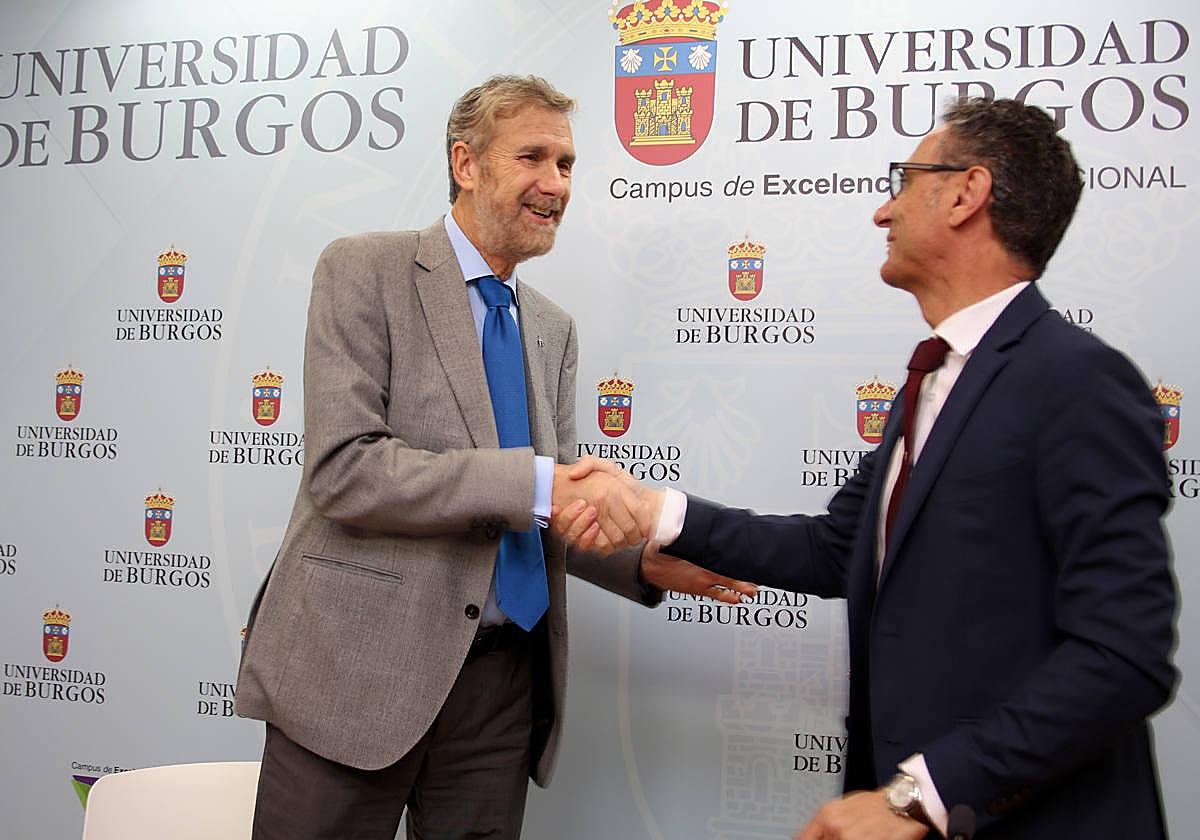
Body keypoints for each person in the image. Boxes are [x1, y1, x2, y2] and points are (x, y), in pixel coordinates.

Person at [572, 98, 1178, 839]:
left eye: (905, 180)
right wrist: (656, 511)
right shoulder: (933, 380)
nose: (882, 210)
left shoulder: (1077, 381)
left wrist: (920, 795)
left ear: (966, 193)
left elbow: (1125, 655)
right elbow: (835, 548)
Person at [235, 75, 752, 840]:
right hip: (355, 673)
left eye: (566, 164)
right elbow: (347, 471)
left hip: (501, 686)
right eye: (532, 158)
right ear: (466, 164)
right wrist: (543, 483)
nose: (556, 184)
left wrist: (640, 562)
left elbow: (547, 509)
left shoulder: (552, 328)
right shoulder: (363, 270)